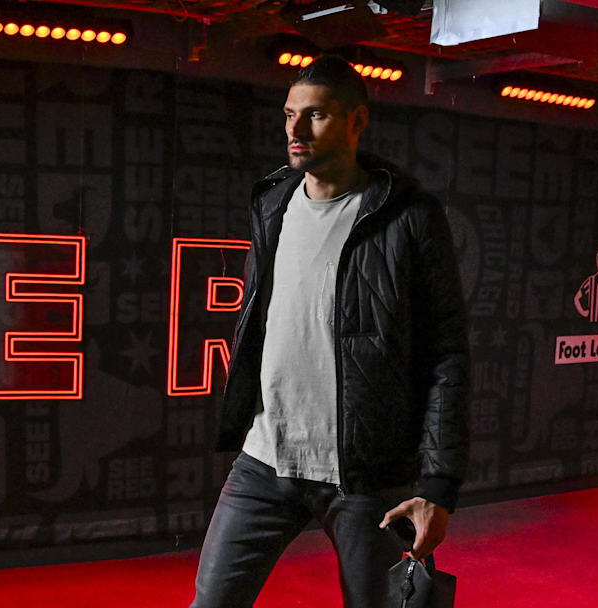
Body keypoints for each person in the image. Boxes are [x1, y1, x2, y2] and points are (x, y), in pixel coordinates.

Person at [189, 54, 470, 608]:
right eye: (289, 114)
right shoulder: (273, 203)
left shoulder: (407, 216)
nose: (294, 130)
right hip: (265, 459)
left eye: (314, 116)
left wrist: (438, 486)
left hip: (367, 473)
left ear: (356, 122)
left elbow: (447, 355)